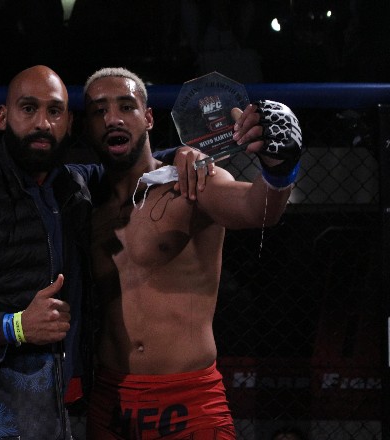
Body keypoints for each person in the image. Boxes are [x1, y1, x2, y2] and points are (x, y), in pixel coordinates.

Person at [0, 65, 206, 440]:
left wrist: (182, 155)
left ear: (68, 123)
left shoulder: (74, 185)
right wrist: (16, 326)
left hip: (49, 408)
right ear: (2, 117)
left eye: (54, 111)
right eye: (28, 108)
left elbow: (135, 164)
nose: (42, 123)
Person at [76, 68, 302, 439]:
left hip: (189, 400)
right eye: (99, 111)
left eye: (126, 106)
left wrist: (282, 166)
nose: (112, 118)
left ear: (149, 118)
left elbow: (258, 210)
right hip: (111, 402)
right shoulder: (85, 206)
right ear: (87, 126)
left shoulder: (192, 181)